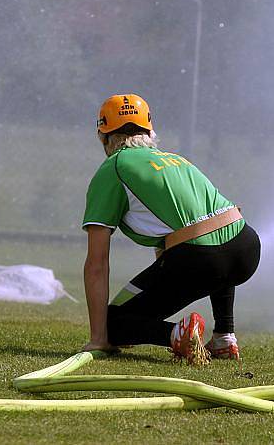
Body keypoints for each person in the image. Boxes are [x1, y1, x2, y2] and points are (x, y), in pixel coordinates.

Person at [81, 93, 260, 365]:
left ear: (103, 136)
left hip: (204, 259)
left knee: (114, 323)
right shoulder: (174, 160)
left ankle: (180, 334)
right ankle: (224, 336)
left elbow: (97, 264)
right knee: (216, 238)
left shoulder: (113, 168)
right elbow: (198, 229)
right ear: (149, 130)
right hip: (246, 246)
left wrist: (99, 339)